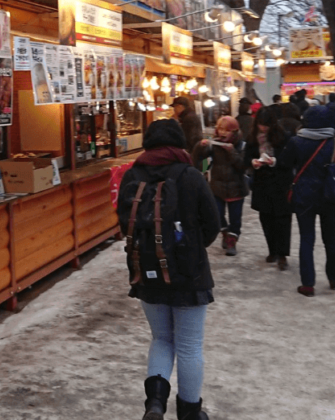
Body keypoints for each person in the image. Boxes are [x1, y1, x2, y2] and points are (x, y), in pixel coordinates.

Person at [119, 120, 220, 420]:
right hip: (189, 275)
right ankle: (190, 412)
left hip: (146, 270)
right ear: (179, 144)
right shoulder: (190, 176)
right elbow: (212, 225)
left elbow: (126, 222)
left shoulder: (131, 175)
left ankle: (155, 404)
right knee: (189, 346)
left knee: (162, 339)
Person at [279, 105, 335, 296]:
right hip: (330, 195)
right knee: (330, 237)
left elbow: (284, 163)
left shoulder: (296, 141)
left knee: (307, 238)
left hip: (304, 195)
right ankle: (334, 278)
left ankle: (308, 283)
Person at [246, 106, 294, 270]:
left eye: (266, 125)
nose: (263, 128)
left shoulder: (283, 136)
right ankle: (272, 250)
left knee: (282, 220)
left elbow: (289, 160)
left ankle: (282, 254)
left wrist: (274, 161)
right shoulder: (252, 137)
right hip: (262, 183)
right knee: (266, 218)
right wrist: (253, 162)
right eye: (260, 124)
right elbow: (247, 157)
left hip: (280, 183)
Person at [192, 116, 249, 256]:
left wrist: (231, 151)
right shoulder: (214, 145)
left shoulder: (242, 146)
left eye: (227, 130)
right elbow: (198, 160)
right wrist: (200, 146)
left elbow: (242, 166)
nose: (223, 133)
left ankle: (232, 242)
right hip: (217, 188)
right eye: (220, 129)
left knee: (235, 219)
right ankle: (225, 233)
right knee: (217, 215)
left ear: (234, 131)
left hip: (237, 189)